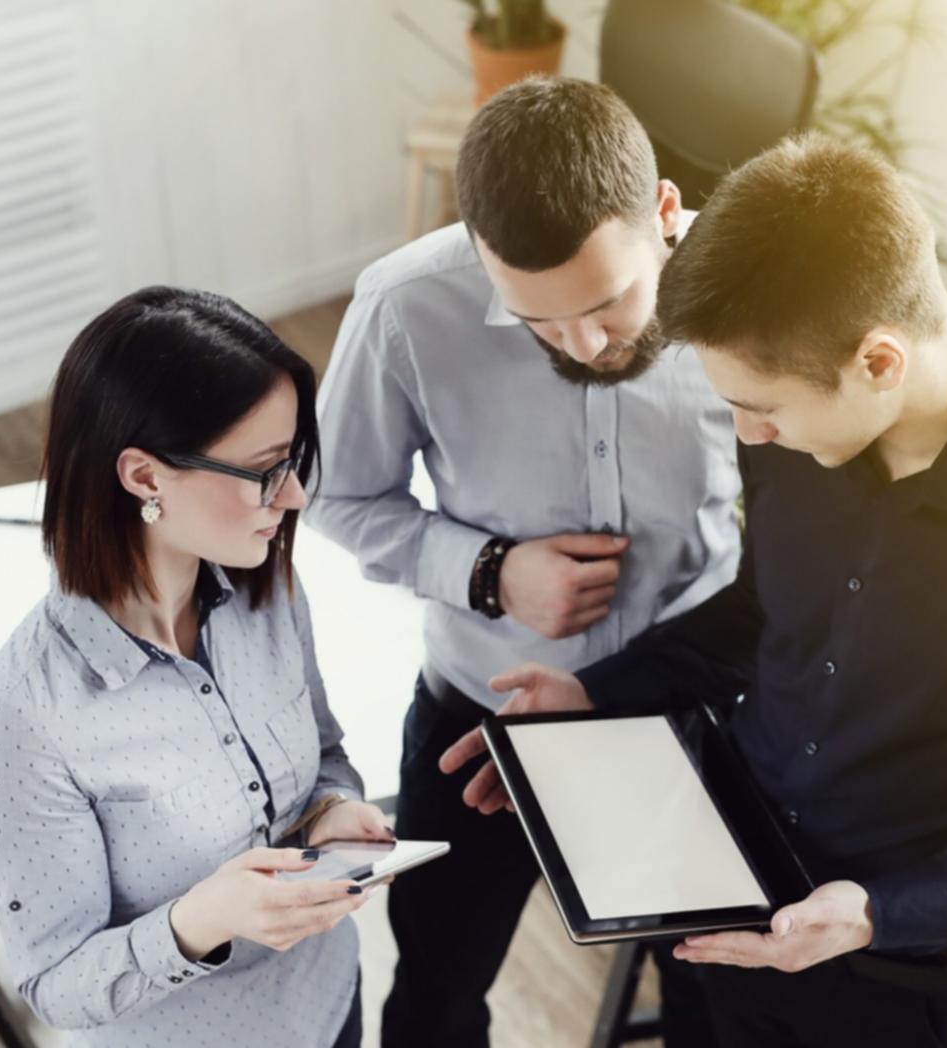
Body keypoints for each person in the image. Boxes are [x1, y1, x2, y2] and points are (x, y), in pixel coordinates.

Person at [446, 135, 947, 1047]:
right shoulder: (801, 428)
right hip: (732, 893)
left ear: (877, 362)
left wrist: (877, 912)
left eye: (759, 408)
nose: (746, 434)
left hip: (909, 979)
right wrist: (596, 692)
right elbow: (765, 612)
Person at [305, 77, 738, 1047]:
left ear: (666, 214)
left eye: (609, 302)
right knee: (435, 992)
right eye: (535, 320)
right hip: (477, 722)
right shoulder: (406, 306)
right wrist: (489, 571)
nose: (583, 345)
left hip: (678, 715)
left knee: (712, 992)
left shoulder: (743, 289)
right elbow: (335, 495)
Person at [0, 287, 391, 1047]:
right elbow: (54, 983)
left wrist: (332, 811)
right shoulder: (22, 719)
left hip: (329, 1009)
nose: (291, 496)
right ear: (144, 477)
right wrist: (200, 921)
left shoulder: (269, 588)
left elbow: (324, 756)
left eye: (292, 461)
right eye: (264, 469)